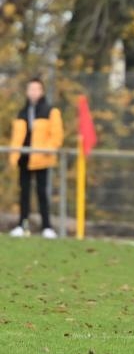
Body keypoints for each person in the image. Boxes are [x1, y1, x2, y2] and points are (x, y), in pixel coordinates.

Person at [9, 77, 63, 238]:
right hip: (24, 157)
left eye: (36, 89)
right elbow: (17, 136)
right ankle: (22, 224)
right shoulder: (22, 112)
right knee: (24, 192)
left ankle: (46, 226)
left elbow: (56, 135)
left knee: (42, 192)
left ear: (41, 91)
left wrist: (48, 149)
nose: (33, 92)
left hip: (41, 158)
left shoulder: (50, 111)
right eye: (30, 89)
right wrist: (15, 154)